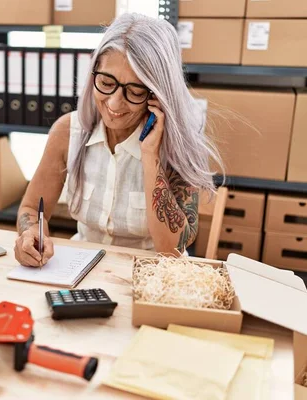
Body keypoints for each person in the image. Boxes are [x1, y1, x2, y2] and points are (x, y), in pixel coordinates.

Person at [14, 12, 223, 268]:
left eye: (134, 91)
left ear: (157, 94)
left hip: (152, 276)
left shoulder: (175, 147)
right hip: (81, 269)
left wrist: (151, 157)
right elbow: (31, 207)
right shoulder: (68, 132)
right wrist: (30, 233)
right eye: (105, 82)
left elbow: (171, 251)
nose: (114, 103)